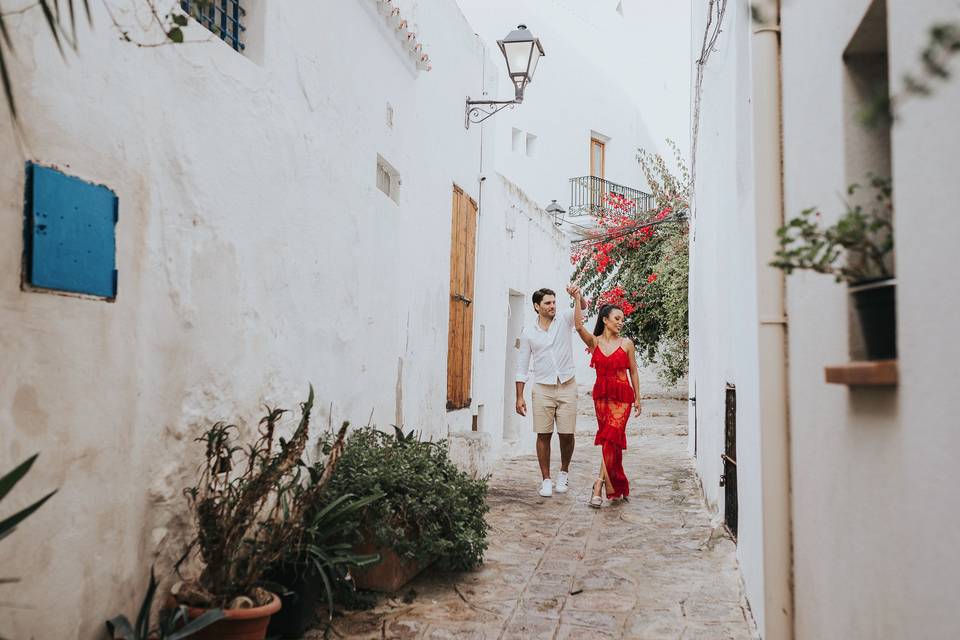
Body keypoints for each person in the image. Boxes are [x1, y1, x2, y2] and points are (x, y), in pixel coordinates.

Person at [570, 288, 642, 507]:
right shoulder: (595, 342)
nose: (621, 322)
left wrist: (638, 398)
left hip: (622, 397)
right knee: (611, 443)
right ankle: (616, 482)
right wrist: (576, 299)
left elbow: (634, 371)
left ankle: (599, 483)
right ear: (605, 320)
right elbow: (578, 326)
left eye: (622, 319)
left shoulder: (627, 344)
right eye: (617, 318)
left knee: (612, 437)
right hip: (602, 397)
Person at [515, 287, 585, 497]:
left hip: (566, 384)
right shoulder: (528, 332)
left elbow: (582, 313)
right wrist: (519, 396)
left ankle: (563, 472)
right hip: (542, 388)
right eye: (547, 303)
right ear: (537, 307)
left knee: (567, 434)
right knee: (543, 434)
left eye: (554, 302)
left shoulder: (564, 319)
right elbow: (522, 367)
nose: (552, 306)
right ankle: (546, 479)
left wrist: (578, 298)